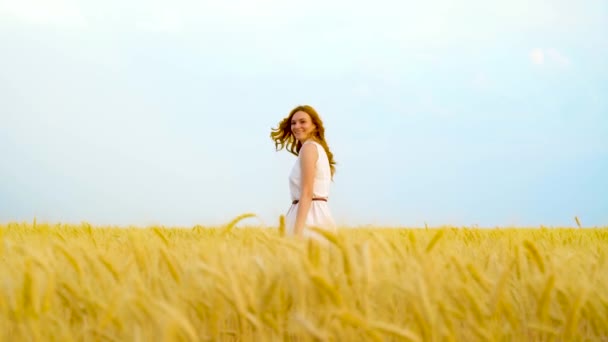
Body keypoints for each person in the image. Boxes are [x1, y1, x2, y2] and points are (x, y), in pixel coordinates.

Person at [270, 105, 337, 240]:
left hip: (309, 217)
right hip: (317, 214)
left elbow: (306, 192)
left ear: (314, 126)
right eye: (293, 123)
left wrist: (298, 230)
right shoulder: (315, 148)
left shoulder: (309, 148)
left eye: (303, 121)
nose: (296, 126)